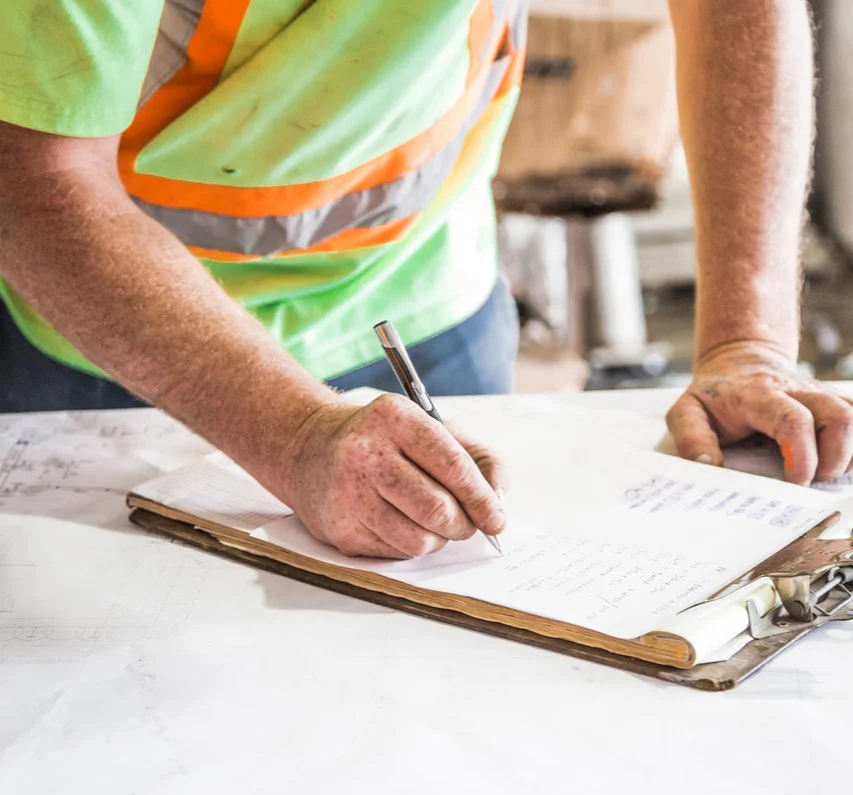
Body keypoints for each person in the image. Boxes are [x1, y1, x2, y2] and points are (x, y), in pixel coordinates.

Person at [0, 1, 847, 558]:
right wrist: (291, 432)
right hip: (112, 337)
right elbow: (31, 179)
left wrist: (746, 340)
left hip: (425, 296)